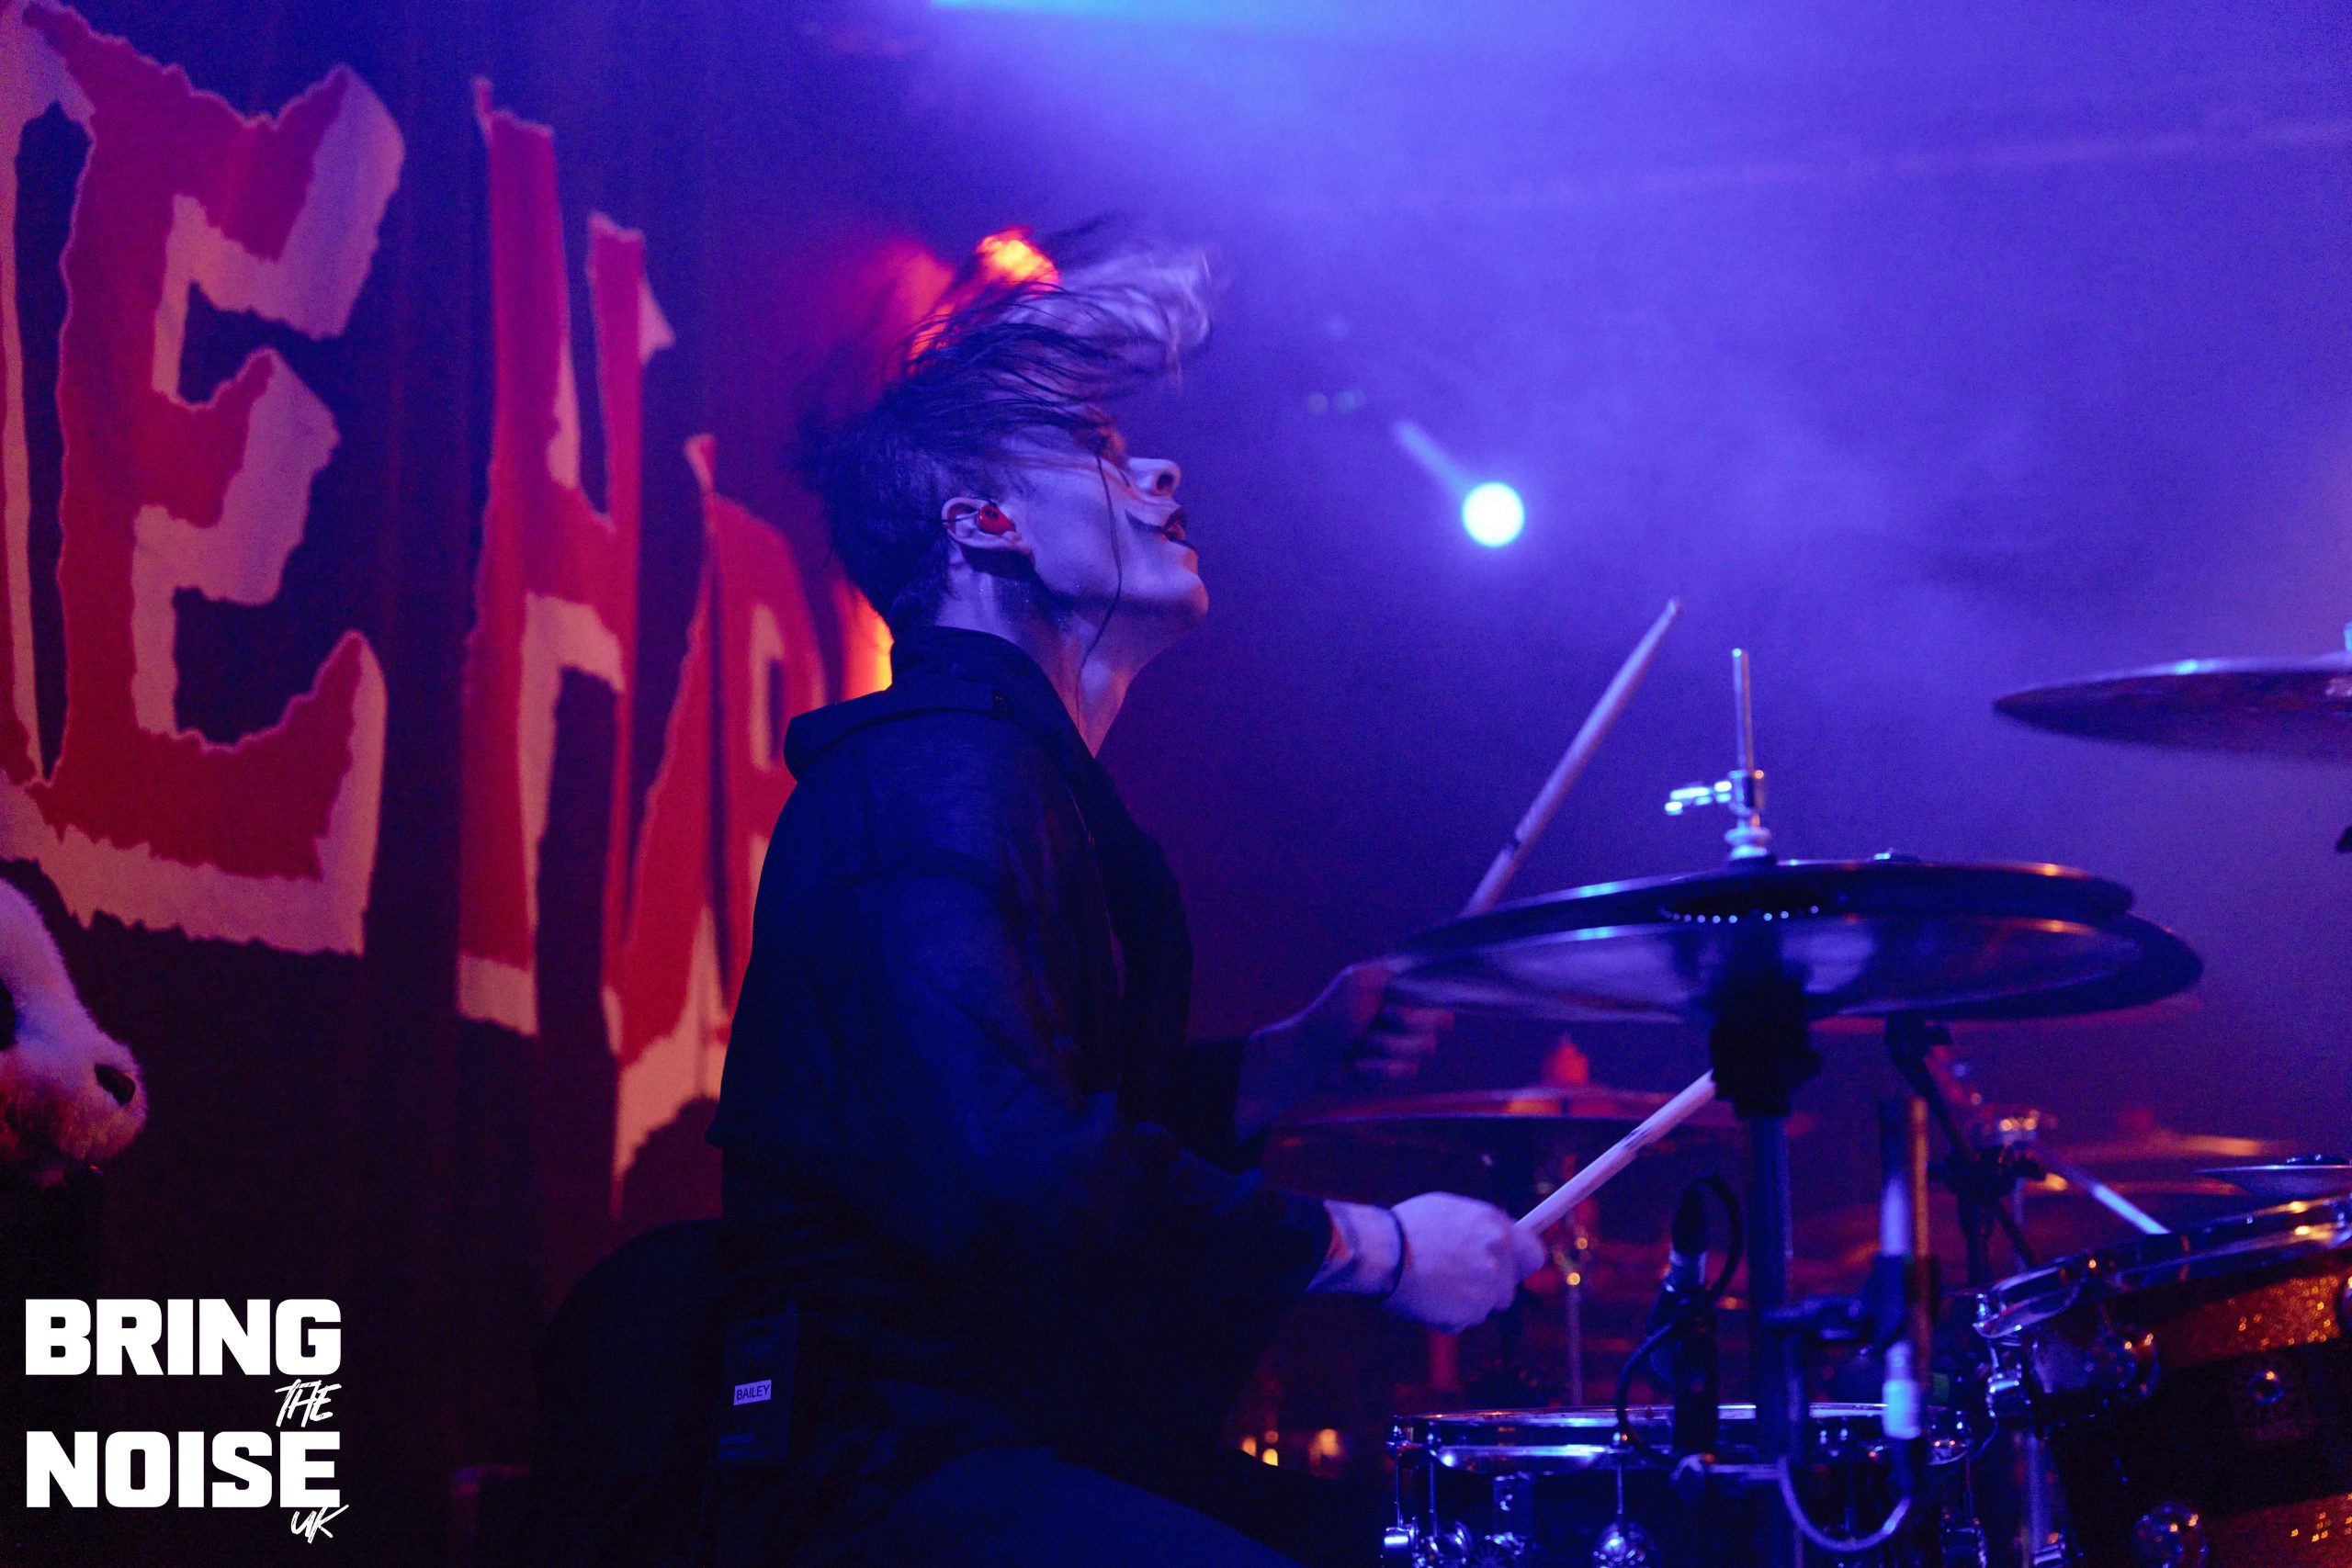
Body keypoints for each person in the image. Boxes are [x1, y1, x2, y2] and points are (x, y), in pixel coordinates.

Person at [706, 233, 1546, 1568]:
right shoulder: (935, 779)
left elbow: (1034, 1127)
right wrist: (1377, 1250)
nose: (1158, 474)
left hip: (1013, 1445)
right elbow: (1024, 1181)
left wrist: (1281, 1068)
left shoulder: (1015, 781)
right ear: (982, 524)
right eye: (1096, 454)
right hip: (887, 1479)